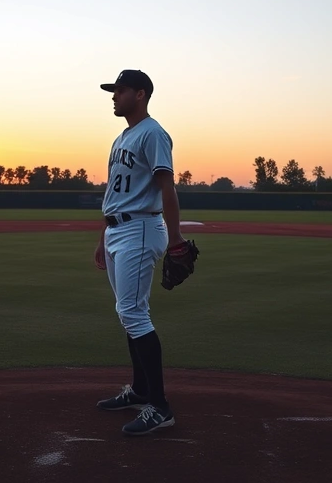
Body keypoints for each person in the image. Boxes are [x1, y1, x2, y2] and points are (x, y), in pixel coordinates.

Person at [93, 69, 188, 436]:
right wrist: (104, 234)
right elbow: (117, 193)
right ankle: (140, 390)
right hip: (118, 229)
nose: (114, 96)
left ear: (141, 94)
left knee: (134, 314)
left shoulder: (153, 134)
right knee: (127, 313)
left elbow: (167, 186)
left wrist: (176, 237)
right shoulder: (122, 137)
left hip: (141, 229)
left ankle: (160, 407)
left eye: (120, 90)